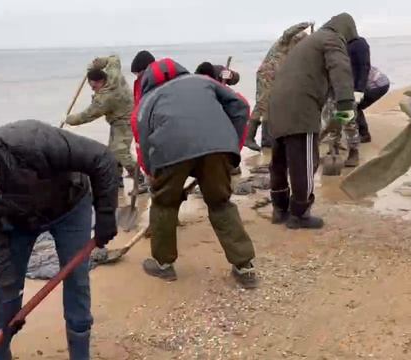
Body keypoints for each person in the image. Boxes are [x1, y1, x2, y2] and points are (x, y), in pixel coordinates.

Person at [0, 120, 120, 360]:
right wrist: (11, 313)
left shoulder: (31, 142)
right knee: (3, 291)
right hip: (18, 222)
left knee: (76, 280)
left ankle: (80, 353)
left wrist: (105, 213)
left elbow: (102, 158)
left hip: (70, 204)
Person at [135, 58, 258, 288]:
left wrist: (151, 171)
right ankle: (245, 267)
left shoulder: (148, 99)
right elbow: (240, 105)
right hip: (218, 147)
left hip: (170, 151)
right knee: (220, 203)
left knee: (164, 204)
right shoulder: (203, 81)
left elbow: (141, 138)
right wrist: (232, 145)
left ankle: (163, 265)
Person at [268, 13, 358, 229]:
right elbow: (340, 68)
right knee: (305, 161)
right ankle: (299, 213)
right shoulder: (332, 39)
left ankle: (280, 209)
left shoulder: (307, 42)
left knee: (279, 161)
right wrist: (346, 103)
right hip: (301, 106)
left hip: (276, 105)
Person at [65, 55, 145, 190]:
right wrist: (98, 64)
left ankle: (140, 179)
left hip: (125, 121)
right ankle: (116, 179)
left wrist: (68, 119)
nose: (93, 89)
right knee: (112, 151)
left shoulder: (105, 98)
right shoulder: (114, 75)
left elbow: (87, 115)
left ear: (101, 81)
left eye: (94, 86)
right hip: (124, 115)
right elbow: (114, 59)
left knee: (120, 151)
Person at [249, 21, 314, 150]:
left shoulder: (295, 51)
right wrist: (305, 24)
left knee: (271, 106)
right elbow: (288, 32)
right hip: (267, 75)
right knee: (264, 105)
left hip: (277, 78)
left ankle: (267, 139)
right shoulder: (284, 42)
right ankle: (252, 138)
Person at [327, 35, 371, 166]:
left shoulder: (356, 44)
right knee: (332, 121)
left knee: (348, 121)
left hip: (346, 90)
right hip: (331, 89)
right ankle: (333, 150)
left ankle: (353, 152)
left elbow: (363, 67)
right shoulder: (329, 48)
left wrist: (359, 89)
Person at [356, 66, 390, 143]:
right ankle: (359, 131)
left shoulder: (349, 67)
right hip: (383, 81)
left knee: (355, 106)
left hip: (377, 86)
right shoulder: (354, 60)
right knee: (356, 105)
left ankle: (364, 135)